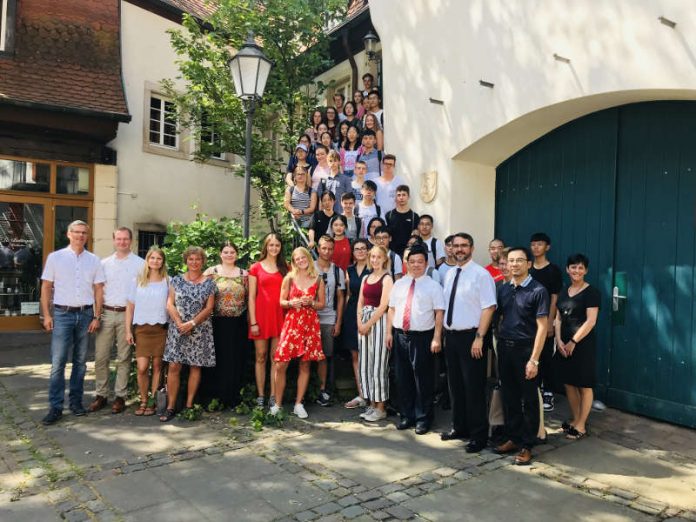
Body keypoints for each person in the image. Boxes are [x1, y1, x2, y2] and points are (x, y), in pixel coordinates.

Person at [40, 220, 105, 425]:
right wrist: (47, 315)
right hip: (62, 314)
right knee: (58, 362)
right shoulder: (55, 258)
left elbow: (98, 290)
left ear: (87, 236)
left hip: (85, 314)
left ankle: (76, 403)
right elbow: (46, 288)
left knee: (80, 362)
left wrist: (97, 315)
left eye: (83, 233)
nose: (80, 236)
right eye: (76, 232)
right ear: (69, 234)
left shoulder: (94, 260)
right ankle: (55, 407)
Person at [441, 233, 497, 452]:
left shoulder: (481, 275)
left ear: (472, 249)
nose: (459, 249)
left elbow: (489, 307)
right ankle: (459, 427)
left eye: (464, 246)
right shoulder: (450, 273)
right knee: (455, 386)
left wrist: (480, 338)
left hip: (472, 337)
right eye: (456, 246)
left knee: (473, 388)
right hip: (452, 337)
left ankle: (478, 436)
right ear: (451, 249)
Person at [494, 246, 549, 465]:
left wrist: (534, 359)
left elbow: (543, 327)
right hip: (505, 348)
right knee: (510, 397)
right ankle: (514, 438)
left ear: (528, 264)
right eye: (511, 261)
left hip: (526, 349)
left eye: (519, 260)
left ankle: (527, 445)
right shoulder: (504, 289)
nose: (514, 264)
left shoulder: (538, 290)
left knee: (529, 399)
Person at [386, 244, 445, 435]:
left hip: (423, 337)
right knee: (402, 378)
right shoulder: (399, 283)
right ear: (407, 264)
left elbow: (439, 313)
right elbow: (392, 309)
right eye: (412, 262)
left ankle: (423, 418)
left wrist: (437, 338)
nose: (416, 265)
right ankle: (407, 415)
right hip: (400, 335)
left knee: (423, 379)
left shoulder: (433, 286)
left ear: (426, 263)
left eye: (420, 261)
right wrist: (389, 333)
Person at [91, 227, 145, 414]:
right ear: (114, 240)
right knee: (101, 357)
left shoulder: (140, 264)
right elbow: (97, 291)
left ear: (131, 241)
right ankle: (101, 394)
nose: (122, 242)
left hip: (127, 315)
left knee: (124, 357)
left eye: (125, 239)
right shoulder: (103, 263)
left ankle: (120, 396)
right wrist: (96, 315)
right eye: (119, 239)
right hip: (106, 313)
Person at [160, 247, 216, 422]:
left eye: (198, 259)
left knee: (195, 366)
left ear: (202, 261)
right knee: (174, 367)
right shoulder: (176, 280)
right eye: (191, 259)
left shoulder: (209, 283)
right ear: (186, 261)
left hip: (200, 330)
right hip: (178, 329)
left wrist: (192, 323)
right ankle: (170, 407)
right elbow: (170, 304)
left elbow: (209, 308)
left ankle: (189, 405)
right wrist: (179, 323)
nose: (194, 262)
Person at [271, 247, 326, 419]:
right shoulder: (289, 278)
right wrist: (292, 302)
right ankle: (277, 404)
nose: (300, 261)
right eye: (297, 259)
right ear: (293, 262)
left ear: (308, 258)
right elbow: (281, 301)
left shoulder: (318, 279)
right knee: (281, 363)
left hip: (309, 323)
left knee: (305, 364)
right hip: (292, 322)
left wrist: (311, 302)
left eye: (303, 257)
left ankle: (298, 403)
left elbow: (322, 304)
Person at [555, 253, 600, 440]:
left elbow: (590, 322)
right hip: (563, 344)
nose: (576, 271)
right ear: (567, 269)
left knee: (584, 384)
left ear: (586, 271)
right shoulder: (564, 291)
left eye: (581, 267)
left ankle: (581, 425)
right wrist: (558, 340)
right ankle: (575, 419)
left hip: (582, 344)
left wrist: (574, 341)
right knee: (569, 383)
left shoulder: (592, 292)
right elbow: (557, 318)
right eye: (573, 267)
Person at [201, 242, 249, 408]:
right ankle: (215, 396)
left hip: (238, 323)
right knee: (217, 359)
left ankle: (232, 397)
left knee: (234, 359)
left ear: (236, 254)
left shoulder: (244, 274)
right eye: (226, 252)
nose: (229, 255)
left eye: (232, 252)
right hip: (215, 322)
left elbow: (250, 298)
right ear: (220, 254)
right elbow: (201, 295)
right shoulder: (211, 272)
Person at [125, 246, 169, 416]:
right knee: (142, 367)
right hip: (141, 329)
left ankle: (152, 402)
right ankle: (142, 399)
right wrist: (128, 331)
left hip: (160, 328)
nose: (155, 261)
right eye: (152, 258)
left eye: (159, 258)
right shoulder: (137, 280)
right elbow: (130, 306)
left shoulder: (167, 280)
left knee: (158, 366)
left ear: (162, 261)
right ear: (147, 260)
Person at [248, 234, 287, 408]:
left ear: (280, 247)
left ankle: (273, 395)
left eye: (277, 245)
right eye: (271, 245)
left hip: (279, 317)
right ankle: (261, 395)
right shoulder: (255, 267)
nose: (274, 248)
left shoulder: (285, 267)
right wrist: (253, 322)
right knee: (260, 356)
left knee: (275, 358)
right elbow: (251, 297)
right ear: (266, 246)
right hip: (261, 318)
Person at [356, 245, 394, 422]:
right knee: (366, 363)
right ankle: (371, 403)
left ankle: (381, 407)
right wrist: (360, 323)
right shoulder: (366, 278)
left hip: (378, 322)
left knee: (379, 364)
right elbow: (360, 302)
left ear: (384, 259)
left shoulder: (387, 279)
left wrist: (369, 324)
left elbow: (384, 306)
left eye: (379, 257)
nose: (375, 260)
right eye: (372, 257)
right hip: (363, 321)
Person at [529, 232, 563, 412]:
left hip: (545, 319)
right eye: (533, 244)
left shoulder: (553, 270)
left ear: (547, 247)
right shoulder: (528, 268)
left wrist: (550, 322)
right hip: (528, 322)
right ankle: (533, 390)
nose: (535, 247)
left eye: (539, 244)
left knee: (546, 357)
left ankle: (548, 391)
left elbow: (554, 297)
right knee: (531, 355)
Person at [315, 235, 346, 406]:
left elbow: (340, 297)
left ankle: (323, 390)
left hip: (329, 318)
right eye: (323, 248)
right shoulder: (310, 267)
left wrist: (338, 322)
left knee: (326, 355)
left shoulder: (337, 271)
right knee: (307, 356)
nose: (326, 251)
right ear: (318, 249)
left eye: (329, 248)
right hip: (310, 317)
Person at [343, 239, 371, 409]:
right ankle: (361, 394)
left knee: (370, 355)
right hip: (352, 314)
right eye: (357, 249)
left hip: (370, 314)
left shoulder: (374, 268)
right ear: (352, 252)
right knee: (355, 355)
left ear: (368, 250)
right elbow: (347, 295)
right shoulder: (349, 270)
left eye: (363, 248)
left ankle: (372, 394)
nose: (360, 251)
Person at [385, 185, 419, 258]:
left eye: (404, 195)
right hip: (392, 252)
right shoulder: (389, 215)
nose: (401, 197)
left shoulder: (414, 216)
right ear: (396, 197)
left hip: (408, 253)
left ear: (408, 197)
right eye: (399, 195)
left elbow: (416, 235)